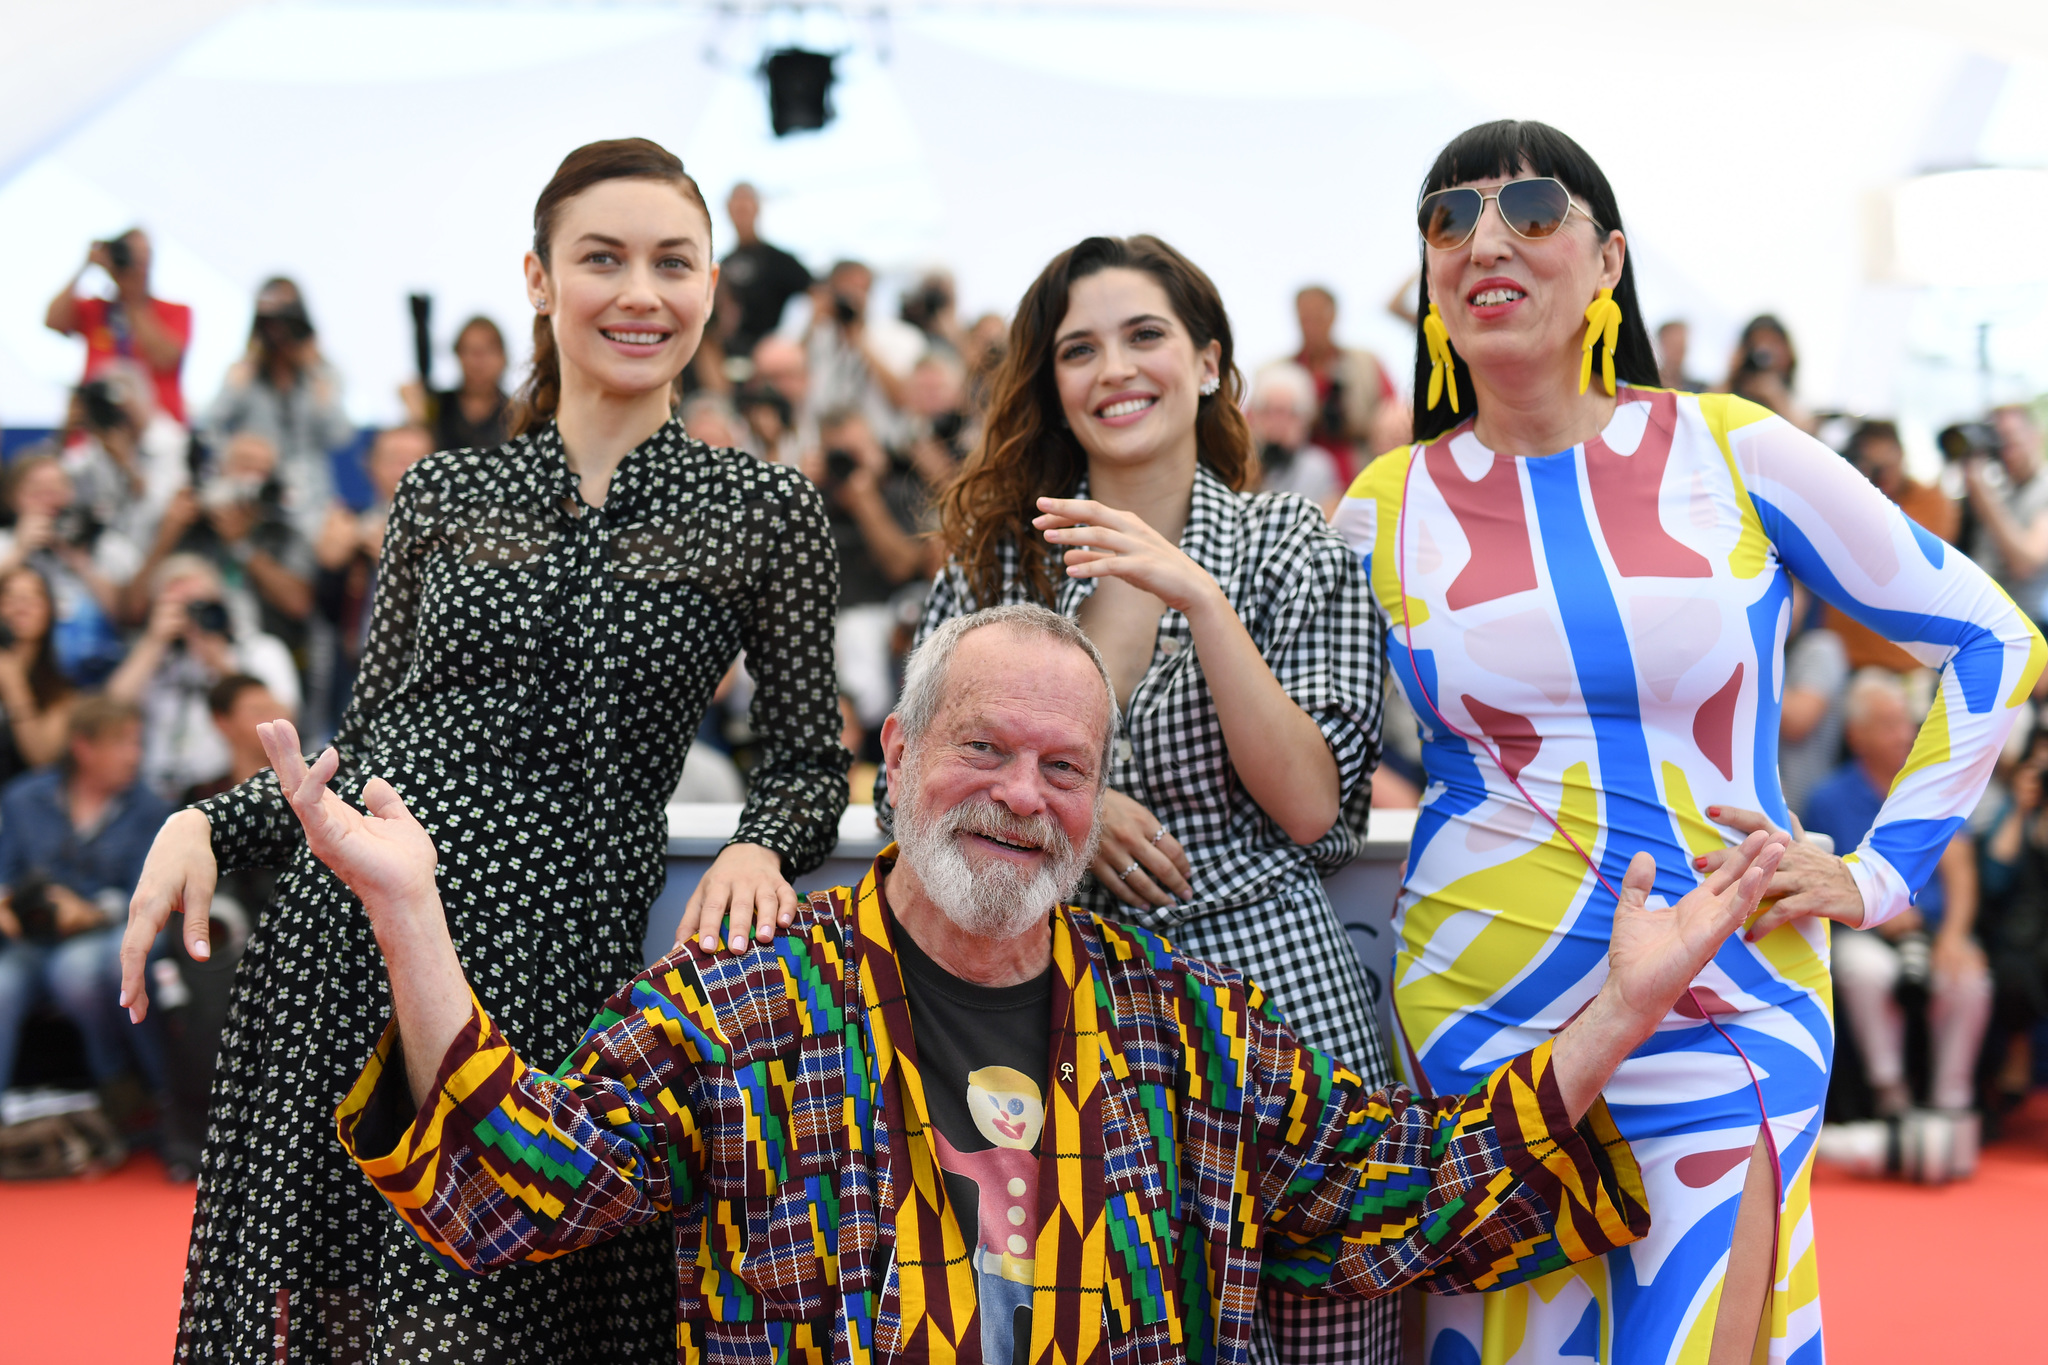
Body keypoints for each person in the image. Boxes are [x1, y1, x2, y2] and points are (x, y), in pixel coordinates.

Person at [272, 605, 1789, 1364]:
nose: (1020, 792)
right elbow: (507, 1188)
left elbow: (1397, 1195)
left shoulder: (1183, 1016)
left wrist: (1618, 1013)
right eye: (983, 747)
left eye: (1065, 767)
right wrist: (413, 917)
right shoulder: (738, 1010)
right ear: (899, 758)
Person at [120, 138, 848, 1363]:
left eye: (672, 263)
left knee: (491, 1326)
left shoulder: (765, 513)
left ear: (710, 289)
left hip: (553, 980)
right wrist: (207, 822)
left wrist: (764, 845)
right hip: (345, 944)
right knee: (338, 1327)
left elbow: (805, 765)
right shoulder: (445, 492)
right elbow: (366, 739)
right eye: (601, 258)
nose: (639, 292)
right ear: (537, 278)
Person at [1334, 119, 2043, 1365]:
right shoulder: (1376, 511)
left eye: (1532, 209)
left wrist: (1877, 878)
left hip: (1727, 998)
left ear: (1607, 260)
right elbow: (1308, 753)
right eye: (1447, 219)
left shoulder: (1729, 449)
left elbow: (1995, 640)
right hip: (1485, 1022)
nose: (1483, 239)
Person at [877, 233, 1397, 1361]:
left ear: (1207, 361)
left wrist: (1200, 603)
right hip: (1049, 1029)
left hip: (1273, 1011)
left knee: (1322, 1327)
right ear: (1052, 387)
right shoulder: (997, 566)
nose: (1113, 368)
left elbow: (1316, 809)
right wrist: (1074, 801)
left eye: (1144, 335)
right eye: (1079, 349)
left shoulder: (1286, 545)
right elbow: (908, 790)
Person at [1802, 672, 1990, 1118]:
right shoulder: (1829, 798)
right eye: (1888, 724)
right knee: (1866, 973)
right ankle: (1890, 1095)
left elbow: (1960, 869)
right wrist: (1878, 915)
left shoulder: (1931, 784)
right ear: (1856, 735)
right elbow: (1820, 882)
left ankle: (1952, 1102)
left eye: (1906, 722)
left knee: (1970, 980)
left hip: (1934, 929)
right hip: (1864, 929)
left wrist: (1955, 935)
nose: (1904, 734)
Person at [0, 698, 170, 1112]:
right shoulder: (24, 798)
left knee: (74, 972)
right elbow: (6, 869)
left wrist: (90, 913)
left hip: (111, 929)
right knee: (2, 988)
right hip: (31, 936)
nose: (136, 755)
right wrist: (6, 904)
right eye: (123, 744)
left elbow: (148, 893)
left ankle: (125, 1083)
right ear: (84, 748)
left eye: (138, 743)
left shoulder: (151, 807)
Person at [107, 554, 301, 800]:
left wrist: (220, 663)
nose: (191, 617)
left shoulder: (260, 651)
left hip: (229, 790)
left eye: (201, 604)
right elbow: (109, 712)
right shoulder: (151, 656)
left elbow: (283, 721)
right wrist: (153, 643)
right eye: (181, 607)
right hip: (152, 795)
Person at [124, 431, 316, 655]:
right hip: (183, 656)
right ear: (220, 470)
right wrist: (167, 536)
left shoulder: (284, 534)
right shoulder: (188, 525)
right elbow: (131, 609)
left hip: (256, 660)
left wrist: (242, 545)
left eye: (263, 471)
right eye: (244, 465)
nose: (253, 478)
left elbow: (298, 605)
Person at [808, 406, 930, 734]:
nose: (846, 464)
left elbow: (902, 566)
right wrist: (799, 489)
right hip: (819, 614)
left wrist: (865, 501)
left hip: (881, 613)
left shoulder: (896, 491)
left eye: (855, 452)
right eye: (837, 454)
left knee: (858, 643)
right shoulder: (811, 494)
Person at [204, 277, 354, 535]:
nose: (280, 333)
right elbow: (208, 426)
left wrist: (314, 372)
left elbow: (340, 436)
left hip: (310, 499)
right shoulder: (246, 373)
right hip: (253, 492)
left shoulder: (323, 373)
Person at [312, 425, 434, 722]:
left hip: (428, 680)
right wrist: (331, 566)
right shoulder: (349, 522)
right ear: (369, 465)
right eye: (392, 458)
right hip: (357, 675)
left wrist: (400, 561)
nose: (402, 469)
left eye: (414, 459)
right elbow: (326, 612)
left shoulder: (459, 533)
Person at [1826, 419, 1961, 671]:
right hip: (1845, 654)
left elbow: (1911, 553)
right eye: (1874, 466)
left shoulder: (1930, 500)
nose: (1883, 474)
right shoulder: (1843, 499)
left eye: (1888, 465)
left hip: (1907, 661)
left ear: (1902, 456)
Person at [0, 451, 138, 687]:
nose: (49, 500)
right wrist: (19, 552)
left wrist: (79, 561)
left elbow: (129, 615)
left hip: (100, 684)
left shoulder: (108, 548)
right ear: (13, 499)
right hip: (19, 681)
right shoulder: (5, 545)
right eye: (36, 491)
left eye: (57, 489)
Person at [44, 228, 194, 424]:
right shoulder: (97, 309)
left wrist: (133, 300)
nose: (137, 265)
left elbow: (166, 358)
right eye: (131, 255)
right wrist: (86, 266)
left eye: (144, 257)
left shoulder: (175, 311)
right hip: (97, 423)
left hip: (157, 429)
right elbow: (53, 321)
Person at [806, 258, 922, 448]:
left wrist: (860, 342)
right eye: (844, 290)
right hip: (820, 445)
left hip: (881, 445)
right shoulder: (817, 334)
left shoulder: (899, 336)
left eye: (860, 289)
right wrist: (812, 322)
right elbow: (786, 373)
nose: (852, 298)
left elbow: (905, 398)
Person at [1291, 283, 1402, 476]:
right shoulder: (1281, 374)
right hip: (1300, 475)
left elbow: (1394, 417)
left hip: (1360, 468)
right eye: (1305, 318)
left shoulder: (1366, 365)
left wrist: (1354, 425)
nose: (1311, 326)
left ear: (1333, 316)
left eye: (1318, 318)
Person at [1963, 403, 2048, 627]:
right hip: (1981, 615)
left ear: (2035, 436)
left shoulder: (2043, 487)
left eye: (2012, 439)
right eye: (1998, 441)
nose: (2005, 450)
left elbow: (2025, 564)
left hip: (2024, 622)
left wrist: (1983, 496)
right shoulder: (1999, 489)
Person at [0, 566, 79, 788]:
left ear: (49, 611)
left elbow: (41, 759)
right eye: (9, 596)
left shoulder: (62, 692)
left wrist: (13, 682)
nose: (21, 606)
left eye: (33, 597)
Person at [717, 181, 812, 358]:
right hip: (731, 356)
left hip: (771, 357)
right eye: (736, 208)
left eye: (746, 207)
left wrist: (797, 344)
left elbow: (818, 295)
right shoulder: (724, 263)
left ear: (757, 209)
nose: (741, 214)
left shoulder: (779, 260)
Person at [1247, 361, 1344, 511]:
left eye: (1285, 413)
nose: (1276, 423)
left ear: (1304, 419)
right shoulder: (1242, 465)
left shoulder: (1317, 468)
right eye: (1268, 411)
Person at [405, 315, 511, 452]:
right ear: (458, 355)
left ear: (502, 357)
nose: (478, 362)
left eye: (487, 351)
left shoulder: (518, 414)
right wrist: (417, 417)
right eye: (469, 351)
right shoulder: (436, 405)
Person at [1721, 313, 1817, 433]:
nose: (1763, 355)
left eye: (1773, 346)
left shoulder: (1797, 405)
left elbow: (1805, 438)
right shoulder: (1727, 391)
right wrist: (1733, 377)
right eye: (1754, 345)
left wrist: (1777, 399)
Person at [1656, 318, 1708, 392]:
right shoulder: (1645, 384)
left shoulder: (1698, 389)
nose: (1677, 352)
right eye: (1673, 345)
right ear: (1661, 344)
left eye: (1681, 346)